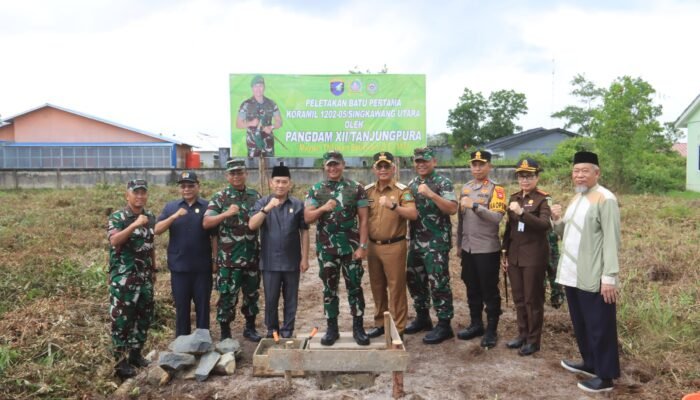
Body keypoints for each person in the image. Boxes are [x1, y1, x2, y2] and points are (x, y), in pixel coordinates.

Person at [552, 151, 621, 393]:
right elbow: (566, 234)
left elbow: (612, 240)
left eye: (585, 171)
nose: (579, 176)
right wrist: (556, 220)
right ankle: (590, 363)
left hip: (594, 275)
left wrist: (609, 277)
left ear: (596, 173)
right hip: (572, 273)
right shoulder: (577, 198)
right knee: (581, 323)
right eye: (576, 171)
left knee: (599, 325)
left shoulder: (605, 199)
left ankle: (605, 377)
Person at [304, 150, 370, 346]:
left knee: (355, 288)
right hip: (327, 250)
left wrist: (363, 246)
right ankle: (332, 328)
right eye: (329, 165)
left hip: (351, 249)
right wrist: (323, 208)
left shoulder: (356, 188)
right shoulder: (315, 190)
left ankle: (358, 327)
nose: (333, 168)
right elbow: (307, 218)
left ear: (343, 165)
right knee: (329, 290)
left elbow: (364, 219)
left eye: (336, 164)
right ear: (324, 167)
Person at [203, 159, 263, 342]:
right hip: (229, 259)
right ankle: (225, 332)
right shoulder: (220, 197)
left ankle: (250, 327)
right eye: (233, 173)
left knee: (252, 294)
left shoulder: (255, 195)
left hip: (251, 256)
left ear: (246, 174)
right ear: (227, 176)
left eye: (240, 172)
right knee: (227, 296)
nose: (236, 176)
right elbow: (206, 223)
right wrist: (226, 213)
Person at [248, 166, 310, 338]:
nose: (281, 185)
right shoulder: (263, 203)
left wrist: (305, 258)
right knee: (271, 299)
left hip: (291, 261)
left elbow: (304, 232)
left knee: (291, 299)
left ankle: (288, 329)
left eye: (284, 182)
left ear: (289, 184)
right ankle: (272, 329)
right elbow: (252, 225)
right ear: (271, 183)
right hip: (270, 262)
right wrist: (267, 208)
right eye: (277, 182)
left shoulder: (297, 205)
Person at [405, 147, 458, 344]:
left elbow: (452, 209)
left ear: (434, 161)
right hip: (416, 242)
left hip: (436, 243)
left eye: (425, 161)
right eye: (418, 161)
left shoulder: (442, 182)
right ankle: (423, 317)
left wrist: (432, 195)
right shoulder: (412, 184)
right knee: (414, 279)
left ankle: (444, 324)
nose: (421, 164)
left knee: (438, 282)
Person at [501, 159, 552, 356]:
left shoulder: (543, 199)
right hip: (515, 256)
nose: (525, 180)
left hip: (534, 257)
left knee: (533, 299)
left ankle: (533, 340)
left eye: (529, 176)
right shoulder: (514, 198)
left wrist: (522, 213)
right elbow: (509, 229)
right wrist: (504, 252)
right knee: (519, 298)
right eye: (522, 176)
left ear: (537, 177)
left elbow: (544, 225)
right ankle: (522, 334)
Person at [456, 150, 506, 349]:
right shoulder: (465, 188)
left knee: (489, 290)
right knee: (471, 287)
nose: (477, 168)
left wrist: (475, 206)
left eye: (481, 164)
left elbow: (497, 218)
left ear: (489, 166)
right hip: (468, 248)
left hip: (487, 249)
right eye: (474, 164)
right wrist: (459, 244)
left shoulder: (496, 190)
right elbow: (460, 220)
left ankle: (492, 329)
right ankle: (476, 323)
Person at [364, 152, 417, 338]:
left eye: (387, 166)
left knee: (396, 288)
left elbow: (413, 214)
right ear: (374, 169)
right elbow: (360, 215)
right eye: (380, 166)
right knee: (377, 286)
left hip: (394, 245)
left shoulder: (402, 191)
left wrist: (393, 206)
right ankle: (380, 323)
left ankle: (398, 328)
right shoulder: (367, 191)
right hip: (372, 246)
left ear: (393, 168)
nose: (383, 170)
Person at [155, 171, 214, 337]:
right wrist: (174, 216)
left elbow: (214, 235)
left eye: (190, 185)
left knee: (203, 305)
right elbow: (157, 230)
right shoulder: (171, 207)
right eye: (183, 186)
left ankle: (203, 339)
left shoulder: (207, 207)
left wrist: (215, 260)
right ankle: (182, 340)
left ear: (198, 186)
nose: (187, 189)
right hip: (179, 266)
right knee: (182, 306)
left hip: (202, 267)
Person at [107, 179, 156, 379]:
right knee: (122, 320)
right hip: (124, 279)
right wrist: (135, 224)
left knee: (144, 317)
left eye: (143, 193)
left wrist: (154, 268)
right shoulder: (118, 217)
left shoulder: (150, 216)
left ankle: (136, 354)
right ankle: (120, 363)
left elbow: (151, 244)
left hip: (144, 277)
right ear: (127, 195)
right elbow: (114, 240)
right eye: (136, 193)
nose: (140, 196)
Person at [236, 75, 282, 157]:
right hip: (253, 146)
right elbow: (238, 124)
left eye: (260, 86)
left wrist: (271, 127)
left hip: (268, 145)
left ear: (264, 87)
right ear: (252, 88)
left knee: (269, 168)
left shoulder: (271, 103)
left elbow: (279, 122)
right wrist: (250, 123)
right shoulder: (246, 105)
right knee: (253, 168)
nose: (258, 89)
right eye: (255, 86)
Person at [546, 231, 565, 308]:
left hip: (552, 246)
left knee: (555, 273)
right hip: (538, 245)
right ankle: (538, 300)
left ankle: (557, 299)